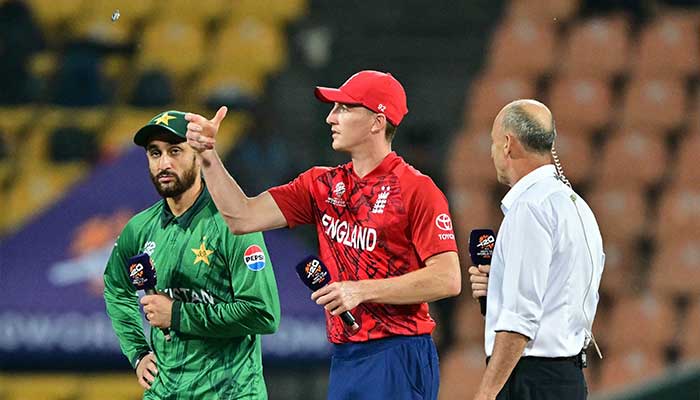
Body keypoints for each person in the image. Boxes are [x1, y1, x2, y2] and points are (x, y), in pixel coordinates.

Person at [185, 70, 462, 400]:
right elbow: (242, 217)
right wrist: (207, 156)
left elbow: (448, 279)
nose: (331, 117)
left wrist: (360, 290)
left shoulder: (417, 189)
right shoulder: (320, 184)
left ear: (377, 121)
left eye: (344, 108)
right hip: (345, 355)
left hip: (398, 353)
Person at [103, 110, 280, 399]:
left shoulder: (233, 223)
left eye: (175, 151)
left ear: (198, 155)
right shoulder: (139, 228)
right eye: (155, 153)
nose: (164, 163)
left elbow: (263, 314)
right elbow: (115, 288)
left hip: (230, 393)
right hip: (164, 392)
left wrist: (177, 314)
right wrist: (138, 352)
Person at [469, 99, 605, 400]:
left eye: (493, 143)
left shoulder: (530, 208)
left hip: (531, 379)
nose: (492, 153)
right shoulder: (576, 205)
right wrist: (500, 289)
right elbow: (559, 292)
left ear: (507, 144)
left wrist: (487, 392)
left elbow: (521, 317)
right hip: (566, 377)